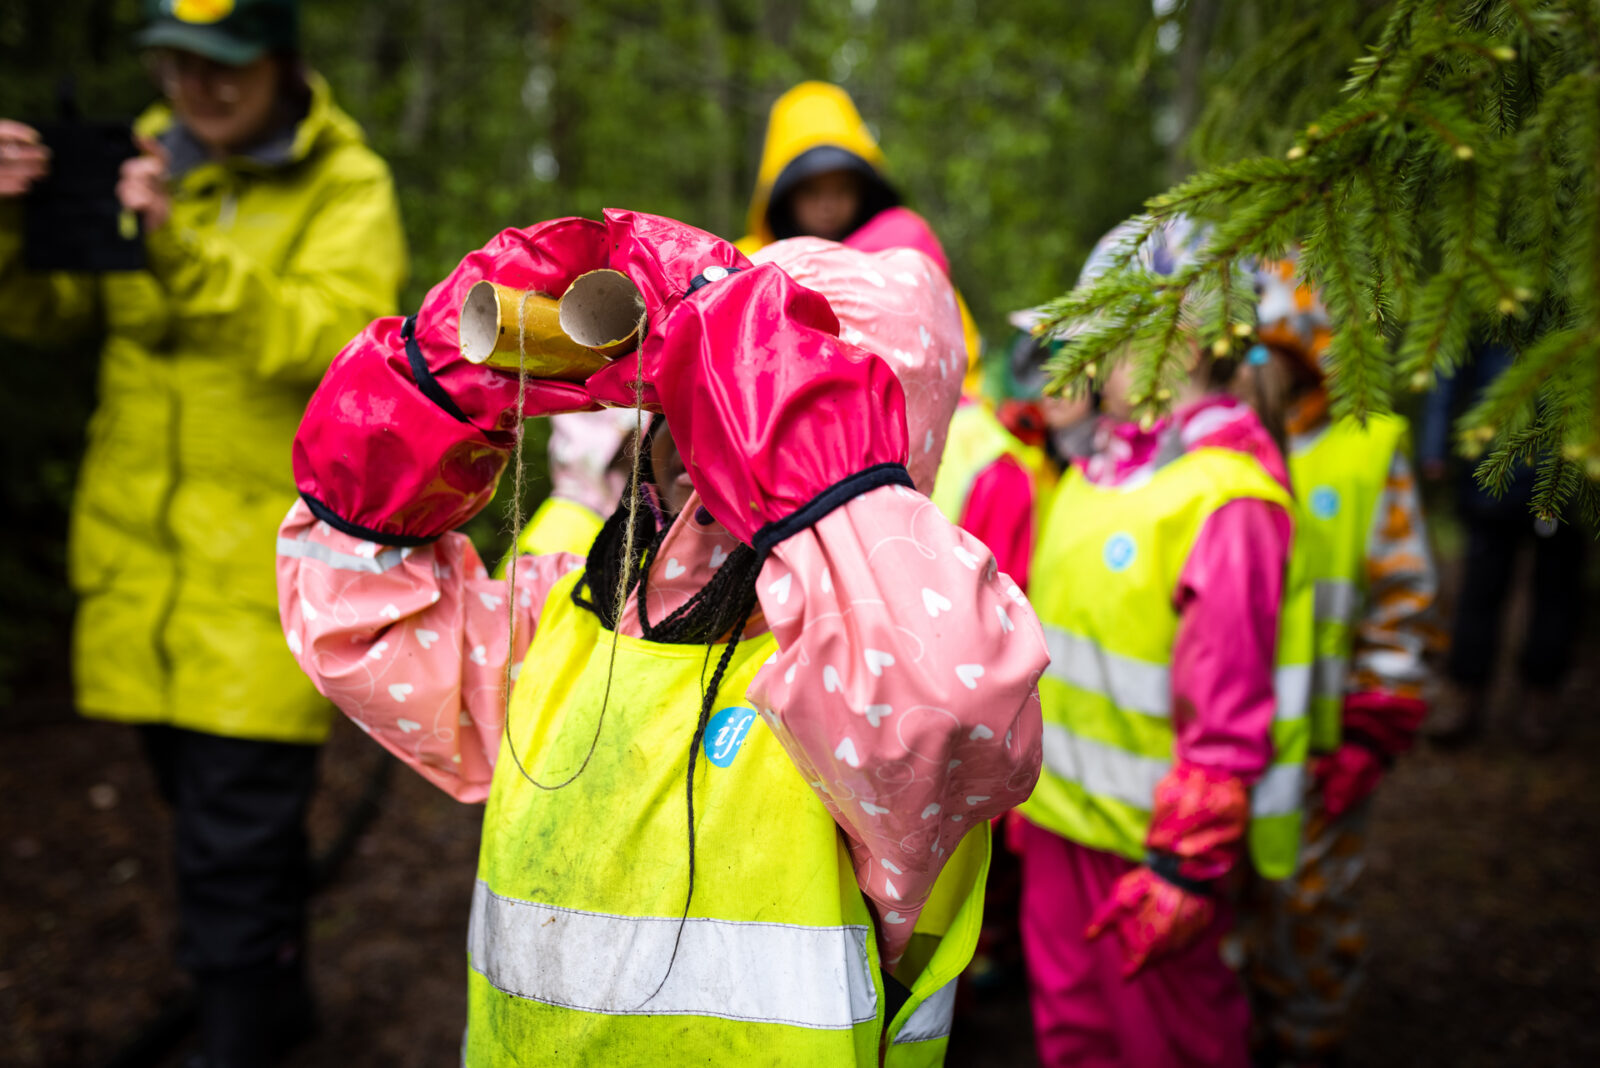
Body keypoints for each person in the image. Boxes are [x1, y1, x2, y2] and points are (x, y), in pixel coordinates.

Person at [277, 211, 1047, 1065]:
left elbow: (944, 709)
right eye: (688, 394)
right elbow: (349, 594)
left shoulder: (858, 694)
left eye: (742, 398)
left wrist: (795, 431)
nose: (698, 435)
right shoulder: (566, 622)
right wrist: (433, 381)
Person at [0, 2, 403, 1063]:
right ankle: (275, 1006)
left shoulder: (344, 184)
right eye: (180, 65)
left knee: (234, 844)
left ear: (282, 66)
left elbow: (333, 339)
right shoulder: (133, 160)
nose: (202, 88)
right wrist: (9, 218)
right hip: (142, 579)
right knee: (204, 831)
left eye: (228, 66)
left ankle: (240, 1035)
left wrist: (177, 250)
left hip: (266, 579)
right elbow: (41, 316)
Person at [1014, 219, 1313, 1068]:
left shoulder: (1225, 498)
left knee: (1169, 1046)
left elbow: (1229, 707)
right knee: (1075, 1037)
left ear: (1175, 336)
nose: (1079, 359)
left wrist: (1186, 865)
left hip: (1151, 860)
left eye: (1099, 336)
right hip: (1063, 831)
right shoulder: (1096, 475)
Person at [1240, 259, 1438, 1067]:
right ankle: (1240, 1028)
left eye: (1279, 353)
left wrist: (1374, 725)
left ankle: (1312, 1033)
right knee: (1234, 899)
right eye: (1251, 353)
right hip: (1233, 740)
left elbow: (1402, 594)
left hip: (1325, 746)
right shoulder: (1218, 444)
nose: (1264, 372)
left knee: (1311, 906)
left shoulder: (1365, 448)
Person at [736, 80, 982, 364]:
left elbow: (953, 344)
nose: (827, 204)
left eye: (842, 189)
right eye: (811, 191)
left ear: (863, 190)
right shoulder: (750, 263)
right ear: (785, 194)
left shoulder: (899, 253)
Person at [1419, 341, 1584, 749]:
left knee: (1557, 592)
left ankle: (1540, 698)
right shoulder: (1498, 297)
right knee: (1480, 589)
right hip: (1494, 472)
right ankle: (1466, 692)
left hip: (1571, 473)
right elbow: (1451, 364)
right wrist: (1436, 441)